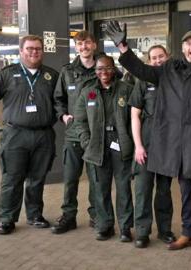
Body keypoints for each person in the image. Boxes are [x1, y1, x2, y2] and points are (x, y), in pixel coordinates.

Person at [105, 21, 191, 256]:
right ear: (182, 48)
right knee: (186, 189)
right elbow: (143, 71)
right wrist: (123, 47)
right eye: (188, 44)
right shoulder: (169, 68)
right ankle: (188, 233)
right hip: (178, 143)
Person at [0, 35, 59, 235]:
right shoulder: (8, 73)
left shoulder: (51, 75)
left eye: (38, 49)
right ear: (21, 51)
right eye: (29, 48)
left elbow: (60, 102)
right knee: (12, 179)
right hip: (15, 135)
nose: (34, 52)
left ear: (42, 51)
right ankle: (7, 219)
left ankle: (34, 215)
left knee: (37, 179)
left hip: (43, 135)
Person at [74, 55, 134, 241]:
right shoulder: (88, 92)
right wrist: (86, 141)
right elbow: (80, 120)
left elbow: (135, 118)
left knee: (123, 187)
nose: (103, 73)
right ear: (95, 71)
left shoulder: (127, 90)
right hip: (96, 145)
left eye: (107, 68)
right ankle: (105, 225)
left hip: (120, 143)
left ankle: (125, 228)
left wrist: (132, 141)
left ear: (113, 68)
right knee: (100, 188)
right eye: (99, 69)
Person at [51, 30, 100, 234]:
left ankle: (97, 216)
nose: (83, 47)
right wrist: (62, 116)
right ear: (75, 47)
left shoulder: (104, 68)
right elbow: (58, 98)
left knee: (96, 179)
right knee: (70, 178)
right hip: (73, 135)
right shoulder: (68, 71)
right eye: (79, 44)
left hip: (96, 134)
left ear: (94, 45)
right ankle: (68, 216)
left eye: (87, 43)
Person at [128, 45, 176, 248]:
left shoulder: (176, 82)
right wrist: (138, 146)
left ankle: (164, 230)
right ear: (148, 62)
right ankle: (142, 232)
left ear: (168, 58)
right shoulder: (142, 82)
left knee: (164, 191)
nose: (157, 61)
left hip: (168, 144)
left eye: (161, 57)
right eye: (153, 58)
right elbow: (134, 115)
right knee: (143, 189)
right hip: (146, 143)